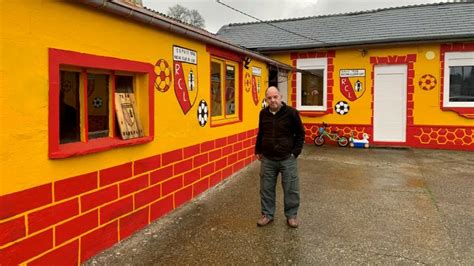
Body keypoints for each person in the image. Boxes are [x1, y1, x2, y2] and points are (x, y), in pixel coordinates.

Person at [255, 86, 305, 228]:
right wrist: (258, 150)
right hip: (268, 159)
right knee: (266, 188)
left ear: (280, 97)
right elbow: (261, 133)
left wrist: (295, 153)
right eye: (269, 98)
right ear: (266, 99)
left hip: (287, 159)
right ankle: (267, 214)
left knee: (291, 188)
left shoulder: (291, 113)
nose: (273, 100)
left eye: (275, 97)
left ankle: (291, 215)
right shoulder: (263, 114)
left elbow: (300, 134)